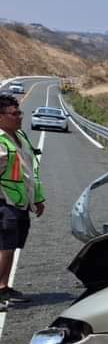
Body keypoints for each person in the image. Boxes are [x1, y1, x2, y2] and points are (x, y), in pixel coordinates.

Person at [0, 95, 45, 308]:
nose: (19, 117)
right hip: (4, 203)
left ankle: (4, 287)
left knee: (12, 247)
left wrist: (37, 198)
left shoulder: (20, 136)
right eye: (14, 113)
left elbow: (30, 170)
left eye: (19, 113)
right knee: (5, 247)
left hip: (20, 202)